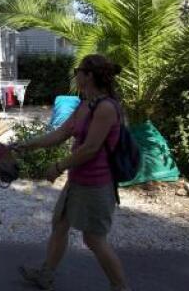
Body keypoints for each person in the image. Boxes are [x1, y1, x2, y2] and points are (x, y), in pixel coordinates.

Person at [14, 54, 131, 291]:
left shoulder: (106, 108)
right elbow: (60, 134)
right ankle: (46, 275)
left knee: (93, 238)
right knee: (59, 225)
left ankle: (121, 287)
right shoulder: (84, 104)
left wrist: (58, 166)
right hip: (77, 180)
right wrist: (29, 144)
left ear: (89, 76)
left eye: (78, 70)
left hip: (97, 184)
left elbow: (90, 149)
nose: (75, 74)